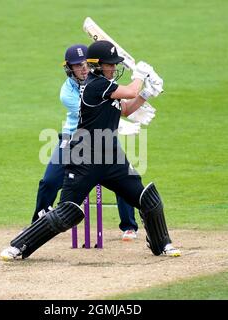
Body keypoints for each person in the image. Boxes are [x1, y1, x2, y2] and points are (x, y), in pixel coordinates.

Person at [1, 40, 181, 260]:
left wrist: (147, 93)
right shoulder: (96, 84)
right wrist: (142, 76)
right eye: (110, 64)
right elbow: (131, 90)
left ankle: (162, 244)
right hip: (84, 157)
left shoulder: (106, 86)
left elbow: (125, 109)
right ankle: (20, 246)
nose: (114, 68)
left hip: (112, 158)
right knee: (66, 213)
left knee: (147, 199)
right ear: (97, 65)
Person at [32, 44, 147, 240]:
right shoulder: (67, 93)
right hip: (73, 138)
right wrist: (122, 122)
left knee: (124, 179)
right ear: (70, 68)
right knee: (49, 181)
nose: (83, 68)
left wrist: (141, 99)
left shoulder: (103, 82)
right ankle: (36, 225)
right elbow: (91, 112)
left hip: (103, 139)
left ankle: (129, 226)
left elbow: (119, 102)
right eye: (77, 65)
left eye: (85, 63)